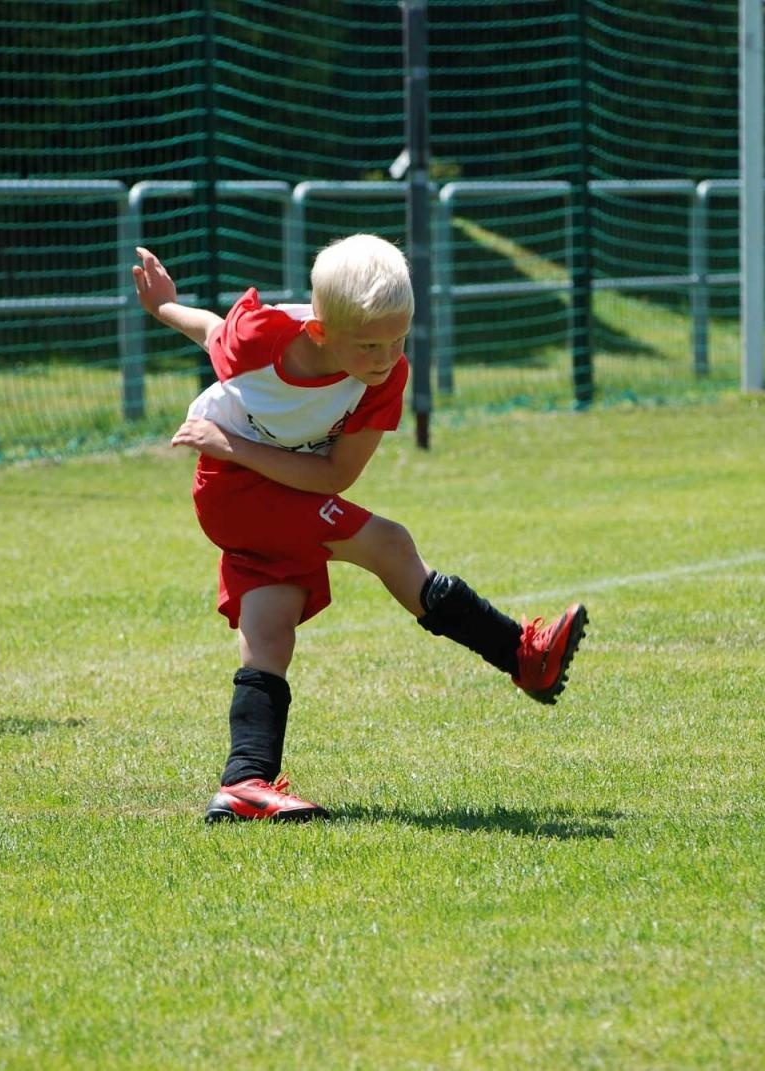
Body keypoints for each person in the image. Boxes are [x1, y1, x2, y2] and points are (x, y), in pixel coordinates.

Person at [132, 234, 587, 823]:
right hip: (232, 487)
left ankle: (245, 781)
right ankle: (523, 657)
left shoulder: (388, 375)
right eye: (369, 344)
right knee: (389, 544)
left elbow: (335, 474)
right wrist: (164, 308)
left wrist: (240, 445)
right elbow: (213, 330)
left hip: (269, 477)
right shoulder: (263, 338)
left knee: (270, 632)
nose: (385, 356)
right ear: (320, 332)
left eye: (399, 339)